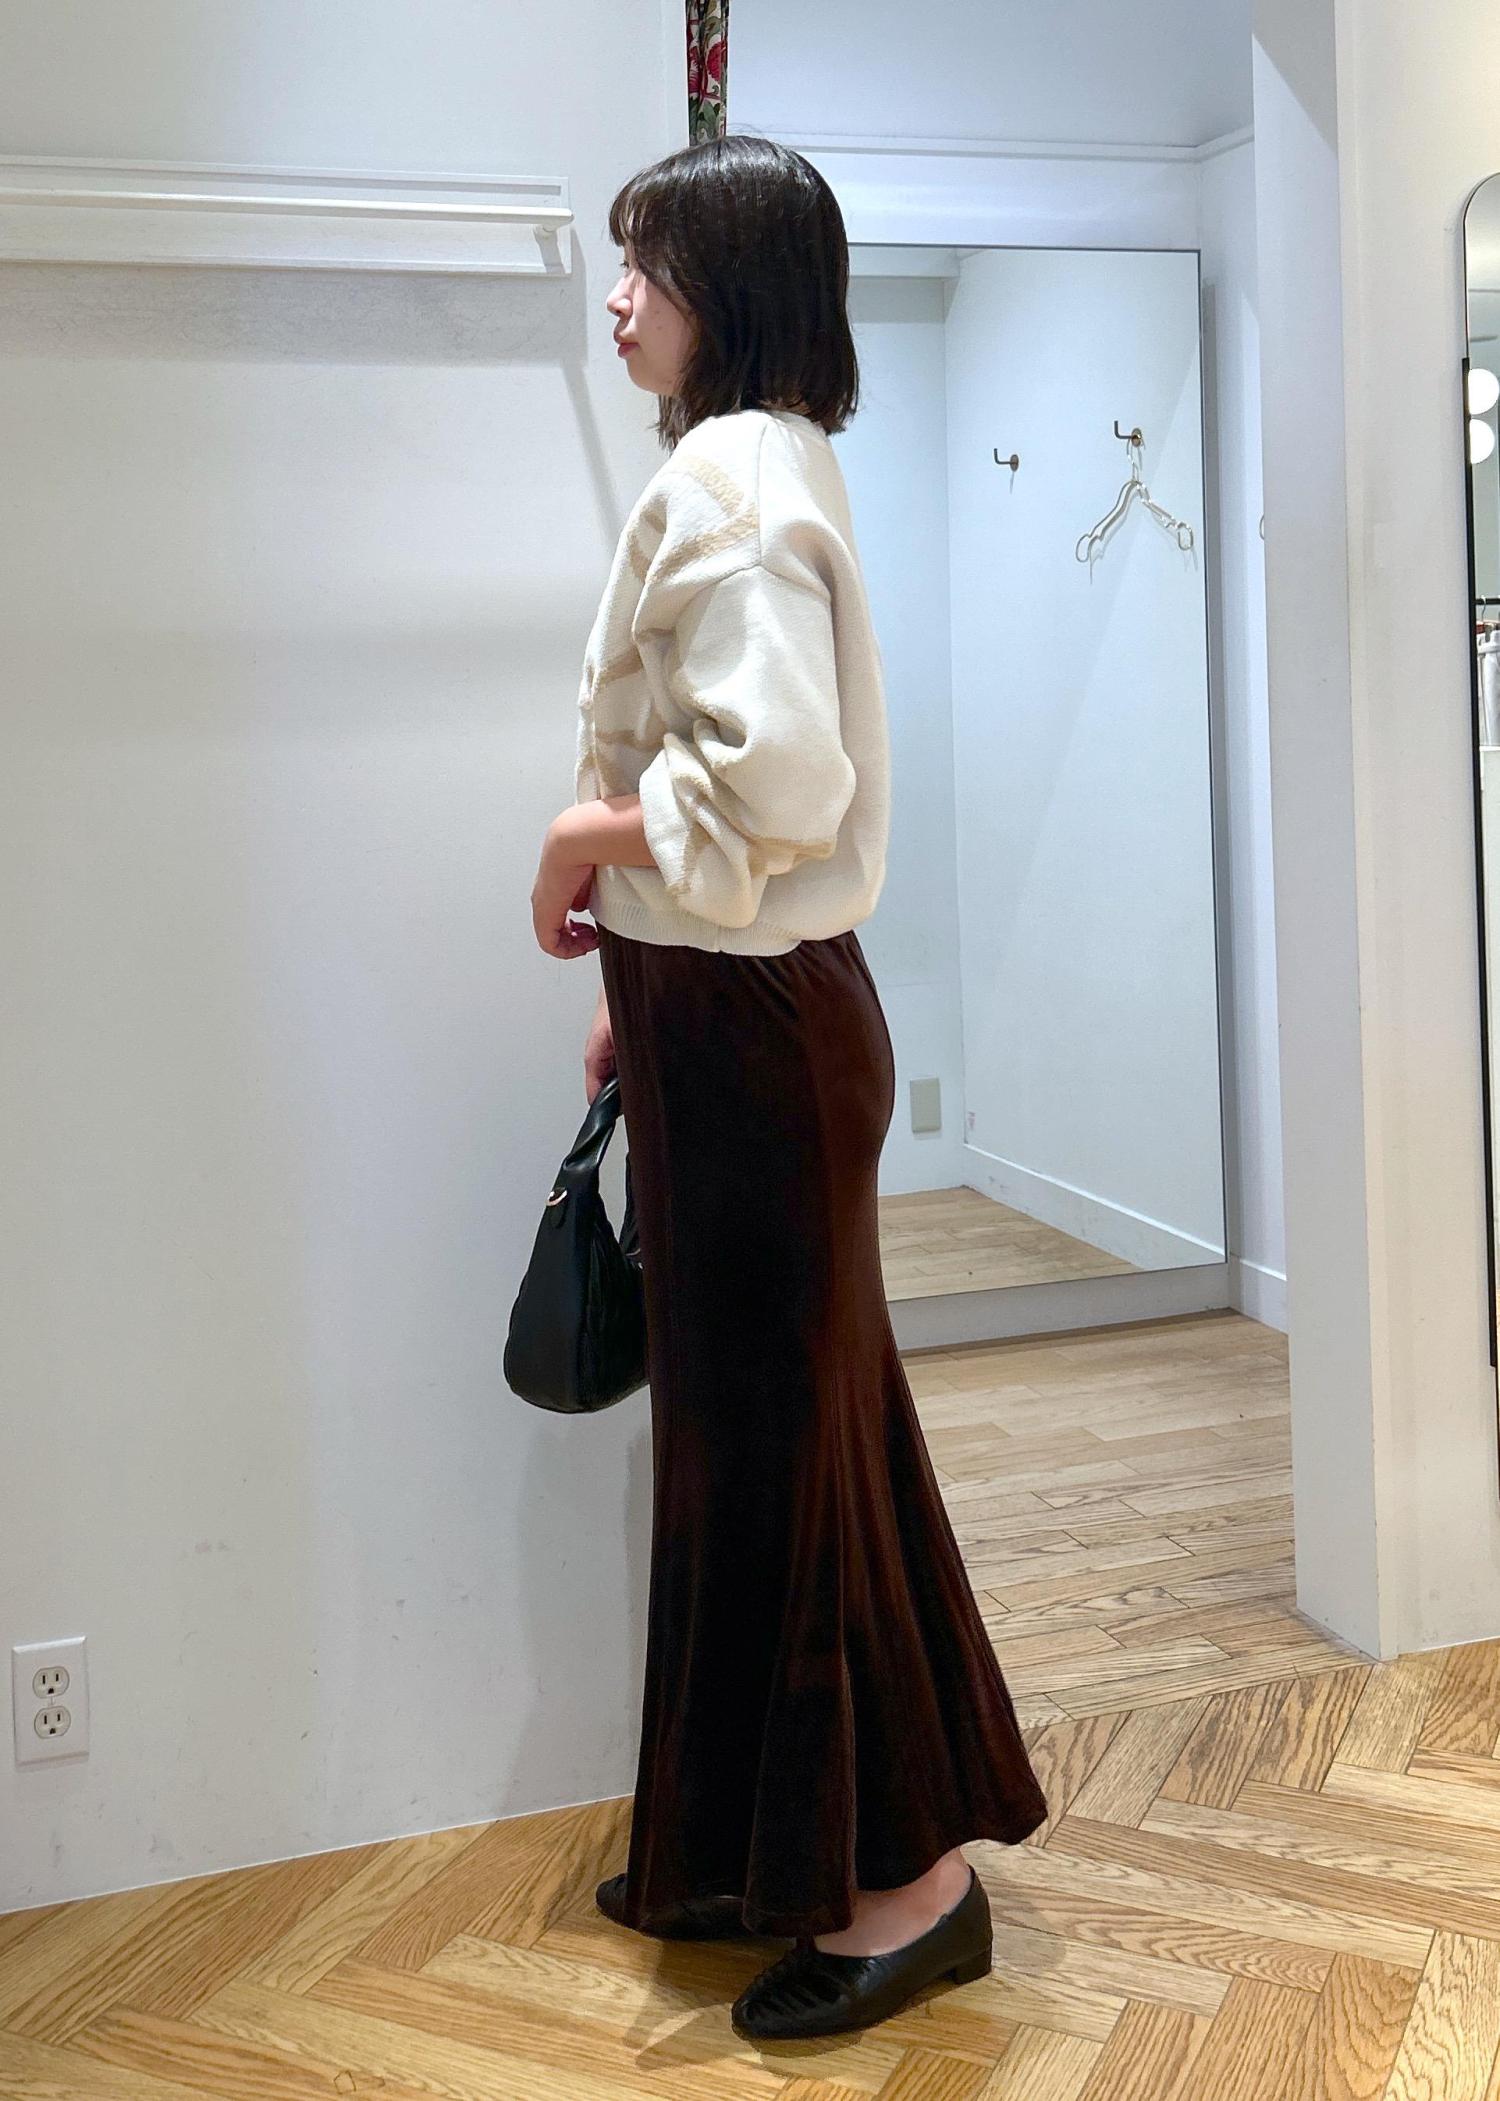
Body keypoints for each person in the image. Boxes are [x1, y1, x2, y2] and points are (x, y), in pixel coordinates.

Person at [529, 131, 1047, 2043]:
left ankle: (908, 1887)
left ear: (726, 290)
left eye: (647, 266)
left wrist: (579, 841)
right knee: (768, 1447)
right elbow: (747, 808)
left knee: (786, 1460)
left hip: (754, 1035)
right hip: (732, 1019)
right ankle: (762, 1848)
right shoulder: (758, 458)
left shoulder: (737, 475)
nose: (619, 298)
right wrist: (640, 977)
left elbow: (779, 781)